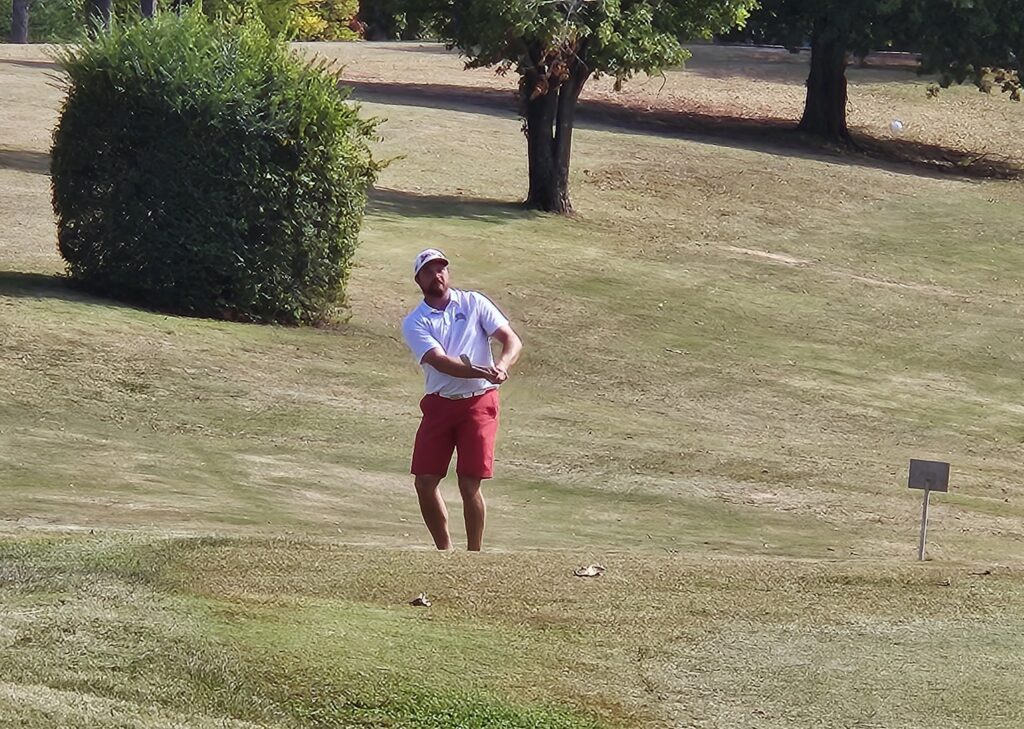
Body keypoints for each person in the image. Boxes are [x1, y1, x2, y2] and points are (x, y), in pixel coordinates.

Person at [401, 248, 522, 551]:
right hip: (440, 403)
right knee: (425, 481)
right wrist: (483, 370)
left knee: (470, 483)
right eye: (429, 271)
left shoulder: (473, 302)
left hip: (479, 403)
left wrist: (502, 366)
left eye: (441, 269)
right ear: (419, 279)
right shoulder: (415, 321)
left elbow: (511, 340)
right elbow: (439, 361)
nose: (437, 275)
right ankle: (445, 551)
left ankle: (474, 554)